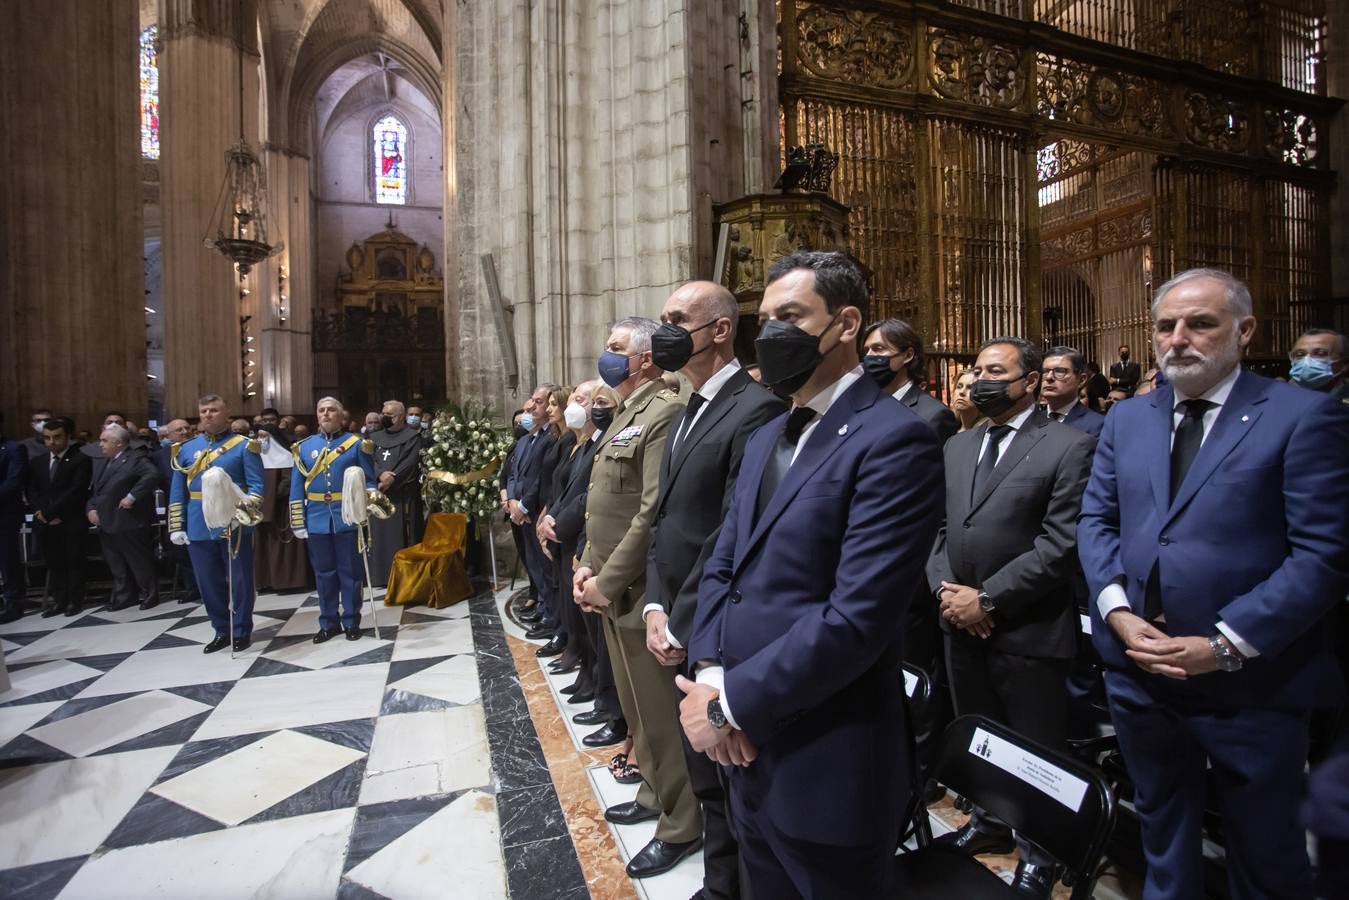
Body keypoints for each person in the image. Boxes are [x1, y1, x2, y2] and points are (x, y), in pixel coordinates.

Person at [1077, 268, 1349, 900]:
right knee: (1163, 837)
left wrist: (1225, 645)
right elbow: (1097, 521)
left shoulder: (1302, 416)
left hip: (1252, 680)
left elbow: (1324, 556)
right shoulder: (1127, 420)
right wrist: (1117, 611)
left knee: (1266, 850)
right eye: (1166, 325)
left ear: (1244, 330)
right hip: (1140, 670)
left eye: (1200, 323)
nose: (1178, 339)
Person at [680, 251, 944, 896]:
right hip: (743, 746)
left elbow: (858, 617)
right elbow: (724, 564)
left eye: (791, 316)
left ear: (846, 323)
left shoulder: (894, 439)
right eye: (764, 318)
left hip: (827, 755)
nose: (770, 332)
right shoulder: (770, 432)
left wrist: (731, 706)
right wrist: (713, 678)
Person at [926, 337, 1097, 899]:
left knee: (1034, 747)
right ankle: (988, 821)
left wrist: (989, 600)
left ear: (1028, 381)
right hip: (960, 621)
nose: (980, 380)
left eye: (995, 371)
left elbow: (1060, 543)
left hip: (1026, 628)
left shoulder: (1068, 445)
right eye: (977, 370)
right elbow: (942, 531)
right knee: (981, 735)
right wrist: (950, 594)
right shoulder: (958, 445)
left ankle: (1039, 852)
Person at [646, 281, 784, 890]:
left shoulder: (755, 409)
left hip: (712, 622)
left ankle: (732, 885)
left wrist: (680, 618)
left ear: (721, 330)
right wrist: (654, 603)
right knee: (702, 772)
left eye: (678, 319)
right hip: (672, 613)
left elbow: (730, 529)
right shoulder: (685, 408)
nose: (665, 331)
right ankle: (717, 881)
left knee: (729, 775)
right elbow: (665, 519)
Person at [572, 316, 698, 875]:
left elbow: (650, 513)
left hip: (637, 587)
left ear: (645, 359)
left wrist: (607, 579)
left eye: (617, 348)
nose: (609, 357)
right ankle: (653, 793)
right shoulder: (625, 412)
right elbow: (604, 506)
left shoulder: (663, 411)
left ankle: (682, 821)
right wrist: (584, 567)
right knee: (635, 711)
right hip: (607, 585)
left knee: (659, 713)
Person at [168, 394, 265, 652]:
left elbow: (256, 487)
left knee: (241, 579)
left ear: (226, 414)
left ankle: (242, 629)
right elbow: (178, 491)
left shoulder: (244, 446)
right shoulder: (185, 449)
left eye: (213, 410)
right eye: (203, 411)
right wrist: (177, 525)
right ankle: (221, 630)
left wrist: (242, 514)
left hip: (234, 521)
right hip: (199, 522)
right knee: (208, 581)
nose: (208, 415)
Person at [290, 397, 378, 642]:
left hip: (347, 517)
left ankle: (351, 621)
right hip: (316, 518)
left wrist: (368, 503)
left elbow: (370, 481)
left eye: (331, 410)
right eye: (321, 410)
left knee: (350, 573)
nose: (326, 414)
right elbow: (296, 488)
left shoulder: (357, 445)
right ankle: (328, 623)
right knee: (324, 573)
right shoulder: (303, 447)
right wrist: (298, 520)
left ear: (341, 416)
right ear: (317, 415)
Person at [537, 382, 600, 685]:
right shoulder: (578, 444)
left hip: (578, 535)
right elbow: (561, 489)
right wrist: (548, 517)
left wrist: (557, 524)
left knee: (585, 615)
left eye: (581, 399)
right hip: (562, 529)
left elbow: (588, 493)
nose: (574, 405)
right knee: (570, 604)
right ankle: (581, 662)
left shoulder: (596, 444)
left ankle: (591, 675)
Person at [86, 424, 160, 611]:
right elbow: (97, 489)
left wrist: (132, 496)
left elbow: (152, 475)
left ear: (118, 443)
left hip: (128, 519)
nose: (100, 444)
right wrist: (91, 508)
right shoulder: (104, 461)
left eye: (104, 440)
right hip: (107, 519)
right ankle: (124, 596)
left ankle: (149, 594)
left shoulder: (135, 458)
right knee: (116, 562)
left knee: (138, 561)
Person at [26, 417, 92, 617]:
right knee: (54, 563)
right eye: (47, 438)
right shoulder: (38, 462)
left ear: (67, 437)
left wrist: (52, 513)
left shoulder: (81, 459)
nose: (52, 442)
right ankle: (59, 601)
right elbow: (32, 490)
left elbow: (76, 490)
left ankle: (75, 600)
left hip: (70, 519)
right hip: (45, 522)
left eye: (57, 437)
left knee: (73, 561)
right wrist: (41, 512)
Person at [508, 385, 559, 637]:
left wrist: (524, 505)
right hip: (522, 512)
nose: (530, 406)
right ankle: (544, 607)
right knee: (534, 566)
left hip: (536, 510)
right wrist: (512, 503)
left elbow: (541, 478)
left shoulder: (551, 438)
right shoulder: (525, 439)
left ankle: (552, 616)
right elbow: (513, 473)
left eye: (538, 402)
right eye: (532, 401)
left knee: (547, 569)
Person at [531, 386, 577, 658]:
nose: (548, 409)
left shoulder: (568, 441)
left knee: (559, 580)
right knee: (553, 578)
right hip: (549, 510)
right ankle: (560, 628)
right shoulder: (557, 437)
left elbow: (565, 485)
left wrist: (549, 513)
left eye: (552, 404)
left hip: (558, 516)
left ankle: (564, 633)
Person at [862, 318, 958, 444]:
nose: (869, 356)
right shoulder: (864, 406)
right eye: (866, 351)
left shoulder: (934, 415)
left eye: (878, 348)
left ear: (907, 355)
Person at [369, 400, 424, 587]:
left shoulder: (412, 437)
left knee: (400, 537)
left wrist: (392, 478)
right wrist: (379, 474)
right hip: (377, 495)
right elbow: (369, 459)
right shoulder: (374, 438)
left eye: (388, 415)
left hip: (402, 496)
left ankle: (401, 576)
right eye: (383, 413)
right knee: (377, 536)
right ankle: (380, 576)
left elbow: (410, 462)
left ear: (400, 417)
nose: (384, 417)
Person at [253, 423, 310, 592]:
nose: (261, 440)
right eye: (259, 436)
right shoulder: (255, 457)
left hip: (283, 509)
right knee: (264, 548)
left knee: (285, 547)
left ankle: (289, 581)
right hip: (262, 510)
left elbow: (289, 482)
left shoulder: (286, 456)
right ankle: (266, 580)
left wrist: (273, 495)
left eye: (265, 436)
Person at [1040, 345, 1104, 436]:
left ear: (1081, 380)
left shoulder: (1097, 425)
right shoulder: (1030, 421)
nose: (1049, 377)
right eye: (1045, 371)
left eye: (1059, 371)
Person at [0, 415, 28, 622]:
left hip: (5, 513)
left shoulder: (12, 448)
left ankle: (13, 601)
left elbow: (13, 481)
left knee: (7, 558)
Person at [1289, 328, 1348, 401]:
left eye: (1320, 354)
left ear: (1344, 364)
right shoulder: (1284, 398)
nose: (1307, 361)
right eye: (1300, 354)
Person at [951, 368, 986, 433]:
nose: (961, 392)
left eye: (970, 387)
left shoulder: (986, 431)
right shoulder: (948, 427)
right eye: (959, 387)